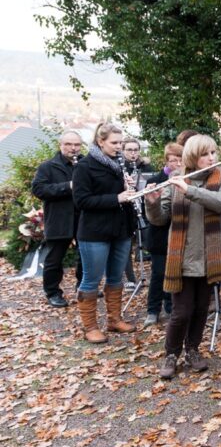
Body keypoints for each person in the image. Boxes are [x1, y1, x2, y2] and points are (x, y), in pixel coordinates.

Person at [145, 135, 221, 379]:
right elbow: (160, 218)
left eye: (214, 153)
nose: (212, 158)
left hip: (210, 254)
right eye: (206, 154)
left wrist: (190, 190)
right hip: (182, 256)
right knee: (181, 311)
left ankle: (192, 350)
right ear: (193, 157)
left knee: (201, 308)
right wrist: (151, 203)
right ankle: (171, 354)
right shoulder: (176, 179)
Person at [72, 123, 137, 344]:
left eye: (120, 143)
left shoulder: (119, 164)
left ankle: (114, 320)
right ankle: (90, 327)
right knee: (91, 279)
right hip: (95, 232)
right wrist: (116, 198)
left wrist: (131, 191)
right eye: (114, 143)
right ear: (101, 142)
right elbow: (81, 201)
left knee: (116, 277)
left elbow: (123, 196)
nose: (119, 147)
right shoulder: (85, 166)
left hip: (120, 229)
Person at [31, 130, 84, 308]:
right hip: (59, 218)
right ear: (60, 145)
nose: (73, 148)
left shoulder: (85, 164)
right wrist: (67, 186)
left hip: (84, 217)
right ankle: (53, 292)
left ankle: (82, 287)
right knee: (54, 258)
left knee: (85, 255)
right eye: (69, 144)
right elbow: (39, 190)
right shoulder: (48, 166)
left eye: (77, 144)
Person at [141, 143, 182, 328]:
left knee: (174, 273)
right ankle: (152, 310)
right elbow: (150, 212)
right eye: (174, 160)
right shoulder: (157, 180)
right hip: (160, 236)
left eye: (180, 159)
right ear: (167, 161)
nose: (177, 163)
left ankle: (170, 307)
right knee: (158, 274)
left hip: (178, 236)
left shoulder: (185, 179)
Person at [120, 137, 153, 290]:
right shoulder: (118, 166)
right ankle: (130, 279)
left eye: (135, 150)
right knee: (126, 245)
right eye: (129, 150)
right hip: (126, 209)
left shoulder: (146, 167)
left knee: (150, 240)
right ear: (123, 151)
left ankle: (154, 276)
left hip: (143, 208)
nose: (133, 153)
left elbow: (152, 185)